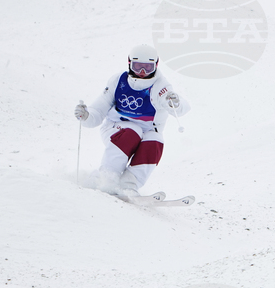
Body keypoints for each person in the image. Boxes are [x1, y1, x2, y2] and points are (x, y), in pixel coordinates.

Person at [74, 44, 191, 197]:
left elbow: (180, 107)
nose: (142, 72)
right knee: (132, 131)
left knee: (156, 140)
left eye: (147, 68)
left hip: (146, 132)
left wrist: (175, 104)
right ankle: (106, 178)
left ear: (156, 65)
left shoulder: (160, 85)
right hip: (115, 129)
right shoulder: (118, 81)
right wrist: (87, 115)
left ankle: (130, 183)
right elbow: (99, 109)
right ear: (129, 63)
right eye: (137, 67)